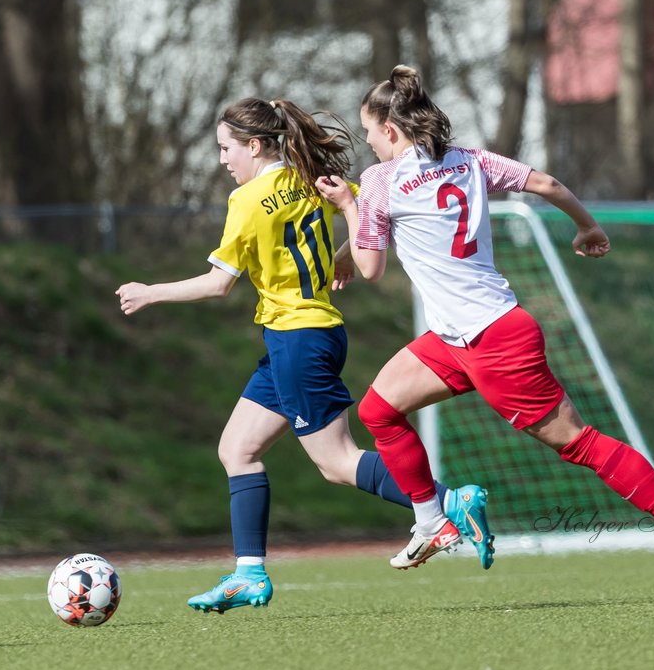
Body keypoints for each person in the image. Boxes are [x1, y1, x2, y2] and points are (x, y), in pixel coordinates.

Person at [316, 65, 654, 603]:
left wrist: (347, 208)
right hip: (460, 337)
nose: (367, 142)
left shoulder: (382, 185)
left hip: (493, 340)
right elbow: (545, 183)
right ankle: (433, 520)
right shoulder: (469, 160)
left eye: (368, 132)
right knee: (378, 410)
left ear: (390, 130)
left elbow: (371, 269)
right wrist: (587, 225)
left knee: (578, 443)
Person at [115, 96, 494, 614]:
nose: (223, 160)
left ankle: (448, 501)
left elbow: (217, 284)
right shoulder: (308, 176)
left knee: (337, 463)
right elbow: (368, 218)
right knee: (237, 449)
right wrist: (340, 255)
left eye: (227, 148)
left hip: (298, 340)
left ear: (254, 145)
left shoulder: (247, 201)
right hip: (302, 337)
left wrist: (149, 291)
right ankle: (248, 574)